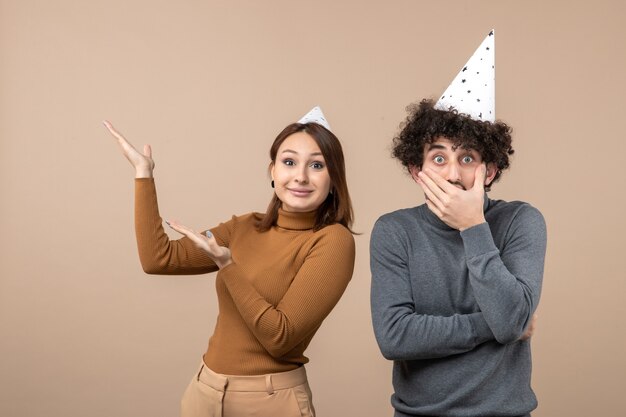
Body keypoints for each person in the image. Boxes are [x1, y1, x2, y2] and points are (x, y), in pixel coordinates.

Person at [104, 106, 355, 417]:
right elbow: (159, 259)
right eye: (289, 162)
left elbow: (280, 337)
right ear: (273, 172)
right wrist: (144, 174)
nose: (300, 176)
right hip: (204, 392)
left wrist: (228, 266)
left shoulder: (332, 241)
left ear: (334, 178)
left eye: (317, 165)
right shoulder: (244, 227)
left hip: (270, 401)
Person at [370, 31, 547, 417]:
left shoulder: (521, 221)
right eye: (438, 158)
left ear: (491, 170)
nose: (452, 174)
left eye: (467, 158)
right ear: (416, 170)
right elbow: (394, 337)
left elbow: (512, 319)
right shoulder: (394, 231)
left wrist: (473, 227)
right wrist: (495, 326)